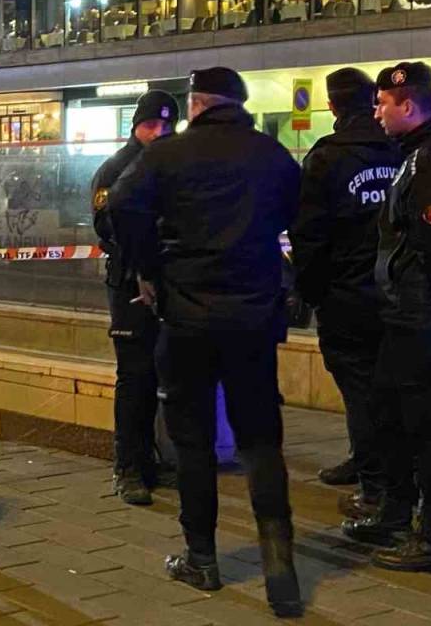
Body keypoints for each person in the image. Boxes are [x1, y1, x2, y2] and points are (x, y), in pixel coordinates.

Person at [109, 67, 303, 618]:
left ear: (196, 103)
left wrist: (149, 268)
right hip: (253, 317)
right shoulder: (270, 154)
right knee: (261, 439)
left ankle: (202, 557)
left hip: (188, 315)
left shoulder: (169, 155)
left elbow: (123, 205)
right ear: (238, 104)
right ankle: (279, 564)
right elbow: (299, 213)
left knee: (192, 441)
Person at [342, 62, 431, 572]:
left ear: (407, 105)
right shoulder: (416, 153)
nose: (376, 112)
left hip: (423, 314)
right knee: (389, 412)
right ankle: (396, 511)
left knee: (424, 425)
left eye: (382, 104)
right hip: (407, 311)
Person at [288, 68, 401, 518]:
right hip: (395, 293)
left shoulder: (326, 158)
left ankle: (376, 490)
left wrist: (312, 292)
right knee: (387, 388)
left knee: (361, 392)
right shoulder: (400, 149)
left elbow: (308, 237)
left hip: (346, 296)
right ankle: (372, 466)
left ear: (332, 106)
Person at [91, 90, 179, 507]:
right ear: (135, 126)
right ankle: (128, 465)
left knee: (162, 373)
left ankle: (150, 458)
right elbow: (107, 227)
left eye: (165, 125)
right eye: (150, 125)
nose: (158, 132)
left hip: (168, 282)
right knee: (135, 374)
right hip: (129, 284)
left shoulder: (175, 164)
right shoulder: (115, 170)